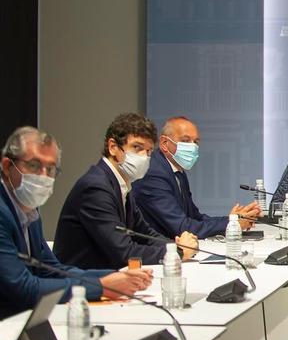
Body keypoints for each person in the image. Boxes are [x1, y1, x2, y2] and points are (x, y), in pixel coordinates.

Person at [0, 126, 151, 318]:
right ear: (7, 166)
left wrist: (112, 277)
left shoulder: (28, 207)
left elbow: (51, 270)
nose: (43, 176)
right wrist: (101, 286)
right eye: (34, 166)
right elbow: (22, 288)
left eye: (51, 169)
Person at [54, 113, 198, 269]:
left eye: (148, 151)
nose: (144, 156)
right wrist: (177, 252)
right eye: (137, 147)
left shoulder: (121, 184)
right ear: (113, 147)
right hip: (84, 282)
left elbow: (144, 233)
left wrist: (174, 246)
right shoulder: (96, 187)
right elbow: (124, 251)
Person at [132, 116, 260, 239]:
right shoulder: (153, 173)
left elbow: (194, 217)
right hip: (156, 254)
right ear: (164, 143)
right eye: (186, 140)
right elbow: (182, 227)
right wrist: (232, 223)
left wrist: (233, 219)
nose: (192, 147)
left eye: (195, 142)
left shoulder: (177, 171)